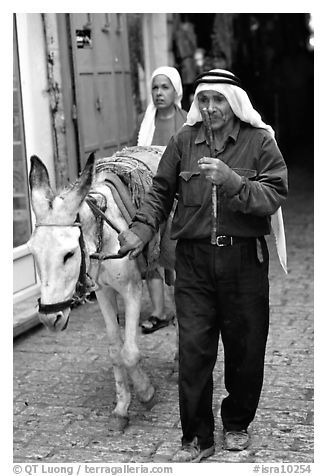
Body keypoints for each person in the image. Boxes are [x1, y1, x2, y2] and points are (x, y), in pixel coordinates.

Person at [118, 69, 288, 462]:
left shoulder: (259, 141)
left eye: (218, 99)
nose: (210, 107)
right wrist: (142, 230)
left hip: (243, 261)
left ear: (234, 102)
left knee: (246, 350)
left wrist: (232, 181)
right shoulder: (182, 141)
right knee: (193, 351)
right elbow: (160, 192)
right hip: (193, 261)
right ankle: (197, 438)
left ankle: (236, 423)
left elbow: (275, 193)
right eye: (204, 99)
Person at [136, 66, 187, 334]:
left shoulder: (188, 121)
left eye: (165, 87)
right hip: (152, 197)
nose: (159, 93)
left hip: (179, 198)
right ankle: (159, 311)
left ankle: (183, 311)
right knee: (150, 255)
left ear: (175, 90)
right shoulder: (146, 123)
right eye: (155, 87)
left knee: (176, 255)